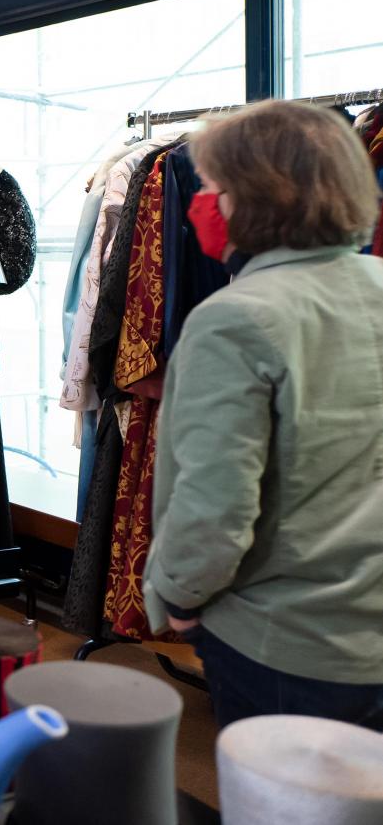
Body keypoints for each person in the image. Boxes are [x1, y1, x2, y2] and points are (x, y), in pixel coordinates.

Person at [143, 100, 383, 731]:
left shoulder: (236, 317)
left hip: (293, 639)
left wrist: (178, 596)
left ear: (254, 198)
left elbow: (214, 503)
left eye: (212, 188)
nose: (203, 204)